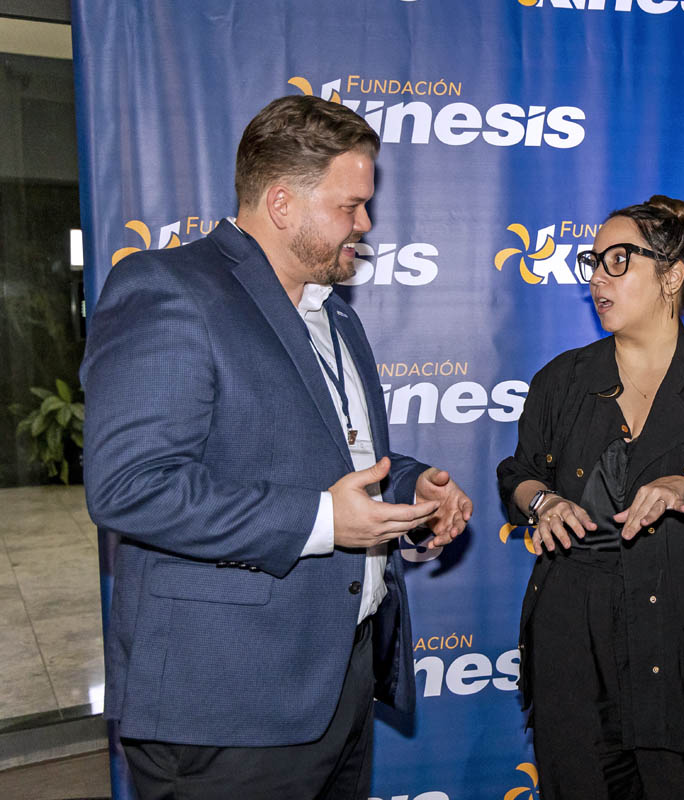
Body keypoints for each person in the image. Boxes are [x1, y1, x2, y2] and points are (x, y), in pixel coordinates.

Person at [81, 95, 473, 799]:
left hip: (340, 682)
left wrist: (409, 485)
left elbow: (336, 458)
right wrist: (323, 521)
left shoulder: (336, 317)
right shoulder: (169, 288)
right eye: (351, 205)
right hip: (226, 708)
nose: (366, 223)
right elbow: (131, 486)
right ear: (283, 203)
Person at [497, 195, 684, 800]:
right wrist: (543, 504)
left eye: (619, 260)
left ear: (672, 277)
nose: (598, 278)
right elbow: (518, 473)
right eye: (594, 262)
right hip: (574, 648)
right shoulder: (562, 380)